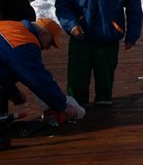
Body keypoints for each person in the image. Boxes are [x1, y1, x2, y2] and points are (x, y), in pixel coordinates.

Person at [55, 0, 143, 107]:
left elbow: (134, 10)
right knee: (77, 75)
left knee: (105, 76)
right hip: (80, 37)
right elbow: (62, 4)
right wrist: (72, 26)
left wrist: (132, 36)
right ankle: (76, 104)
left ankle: (103, 100)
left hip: (108, 38)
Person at [1, 18, 85, 150]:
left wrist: (13, 92)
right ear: (44, 34)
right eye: (50, 43)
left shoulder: (12, 27)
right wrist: (63, 105)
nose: (47, 48)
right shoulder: (24, 41)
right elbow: (38, 81)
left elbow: (4, 66)